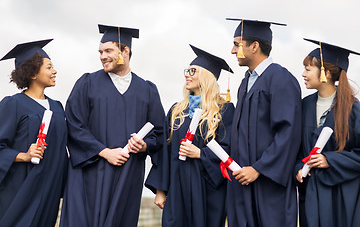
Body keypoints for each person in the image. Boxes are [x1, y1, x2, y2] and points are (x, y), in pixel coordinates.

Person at [59, 24, 165, 227]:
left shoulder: (147, 90)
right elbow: (73, 124)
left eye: (108, 51)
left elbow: (159, 133)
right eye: (100, 52)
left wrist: (144, 146)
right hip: (89, 173)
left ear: (125, 52)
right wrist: (104, 152)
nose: (102, 56)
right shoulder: (88, 83)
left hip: (128, 175)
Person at [145, 45, 235, 227]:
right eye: (187, 70)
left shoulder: (224, 110)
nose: (187, 74)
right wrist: (161, 189)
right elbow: (165, 150)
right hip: (178, 187)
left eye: (193, 71)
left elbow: (228, 148)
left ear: (207, 77)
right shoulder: (177, 110)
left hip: (208, 189)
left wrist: (200, 154)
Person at [226, 18, 302, 227]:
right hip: (242, 181)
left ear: (254, 46)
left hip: (268, 185)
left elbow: (288, 133)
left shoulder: (280, 78)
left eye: (236, 44)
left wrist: (259, 169)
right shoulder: (245, 83)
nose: (232, 51)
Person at [0, 39, 68, 227]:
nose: (55, 71)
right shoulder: (13, 104)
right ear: (32, 73)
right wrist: (23, 155)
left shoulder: (57, 107)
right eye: (49, 67)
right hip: (20, 190)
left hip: (50, 191)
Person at [294, 38, 360, 227]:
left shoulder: (353, 109)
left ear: (326, 72)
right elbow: (297, 151)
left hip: (342, 196)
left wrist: (330, 160)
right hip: (311, 195)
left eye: (308, 69)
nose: (303, 74)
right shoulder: (304, 106)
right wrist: (298, 169)